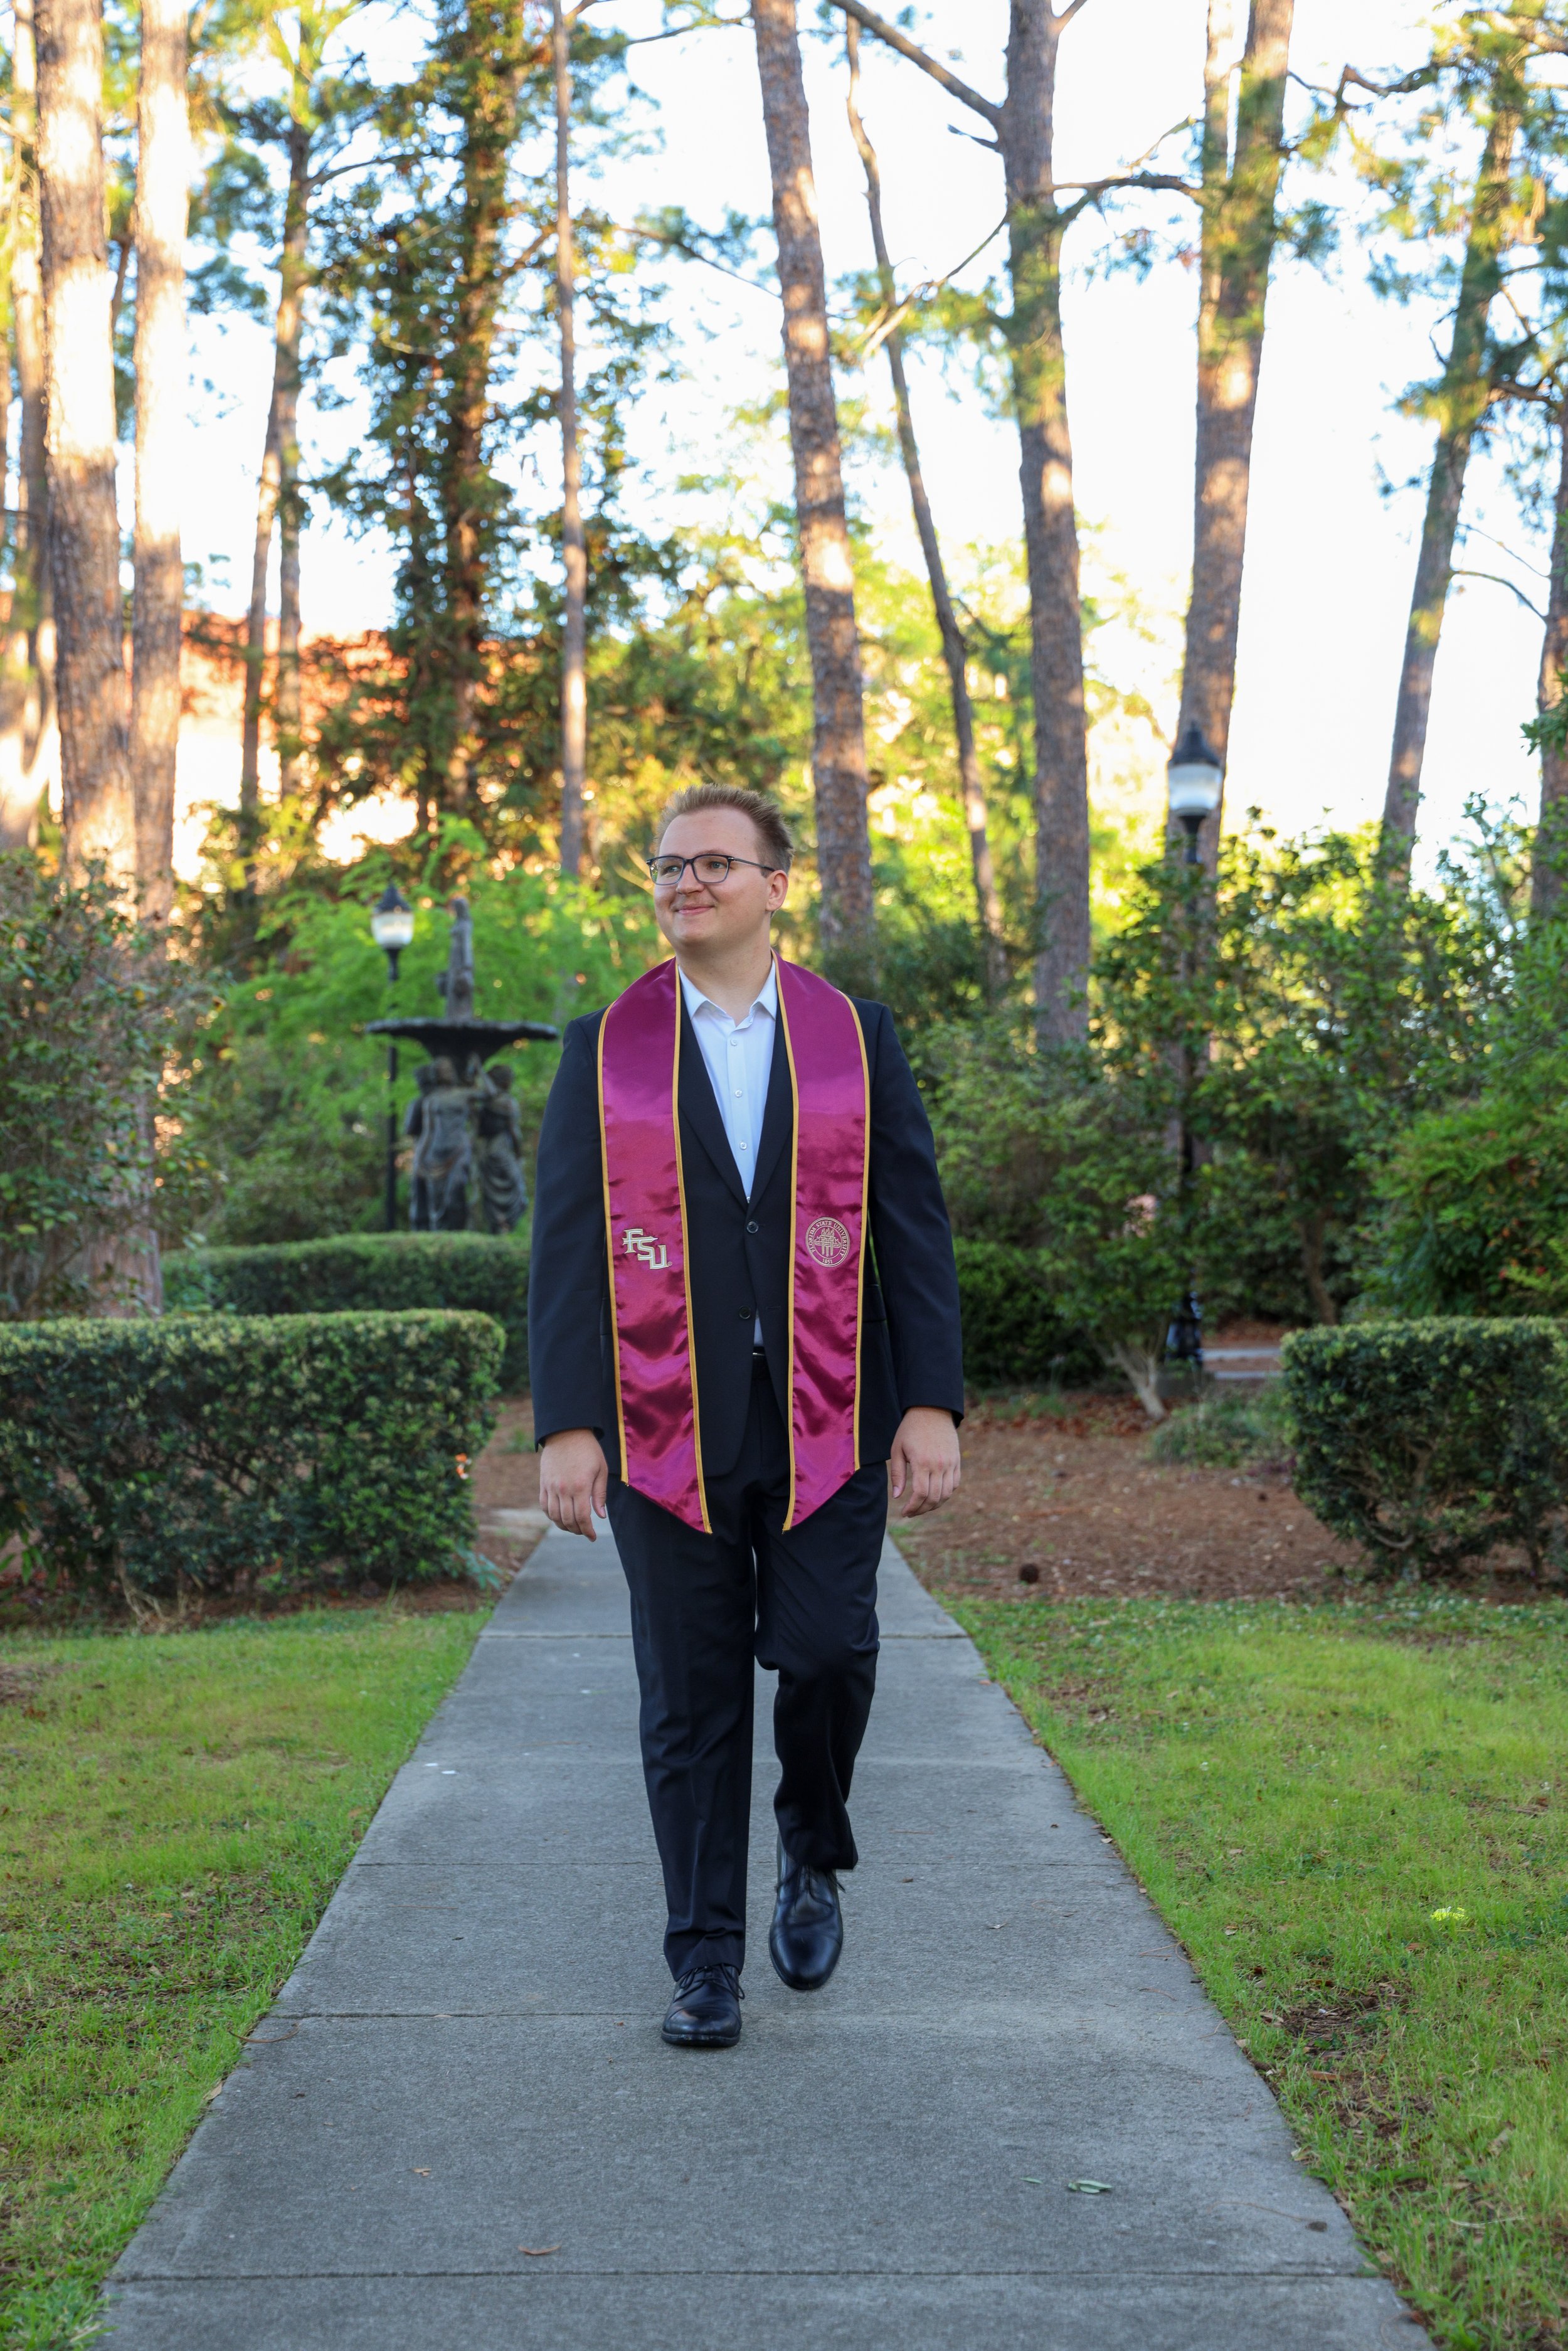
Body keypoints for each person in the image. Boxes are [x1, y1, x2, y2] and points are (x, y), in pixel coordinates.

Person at [528, 783, 963, 2052]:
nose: (683, 882)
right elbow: (564, 1252)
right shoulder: (601, 1048)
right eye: (666, 864)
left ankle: (809, 1846)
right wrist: (568, 1422)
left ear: (777, 884)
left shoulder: (853, 1038)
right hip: (662, 1421)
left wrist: (928, 1400)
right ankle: (704, 1958)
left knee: (828, 1649)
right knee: (688, 1695)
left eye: (713, 862)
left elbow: (911, 1232)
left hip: (829, 1412)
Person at [474, 1063, 529, 1234]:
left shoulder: (486, 1104)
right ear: (503, 1081)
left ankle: (498, 1224)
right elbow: (514, 1132)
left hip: (486, 1151)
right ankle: (506, 1224)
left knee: (491, 1192)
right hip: (501, 1148)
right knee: (517, 1188)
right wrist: (519, 1155)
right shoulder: (507, 1103)